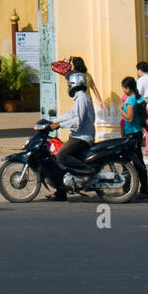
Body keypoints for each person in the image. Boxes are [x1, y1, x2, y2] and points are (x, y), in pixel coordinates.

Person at [49, 70, 96, 200]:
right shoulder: (80, 97)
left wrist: (59, 125)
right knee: (60, 160)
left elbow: (78, 121)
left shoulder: (81, 98)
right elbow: (71, 114)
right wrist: (55, 121)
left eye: (69, 84)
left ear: (74, 84)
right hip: (79, 135)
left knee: (61, 156)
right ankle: (61, 192)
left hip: (83, 137)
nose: (68, 87)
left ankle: (88, 172)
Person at [120, 76, 148, 199]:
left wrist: (121, 110)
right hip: (136, 133)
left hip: (132, 134)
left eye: (123, 87)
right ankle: (142, 189)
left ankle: (129, 189)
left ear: (127, 88)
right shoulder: (137, 99)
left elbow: (130, 117)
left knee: (129, 162)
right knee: (137, 162)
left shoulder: (130, 100)